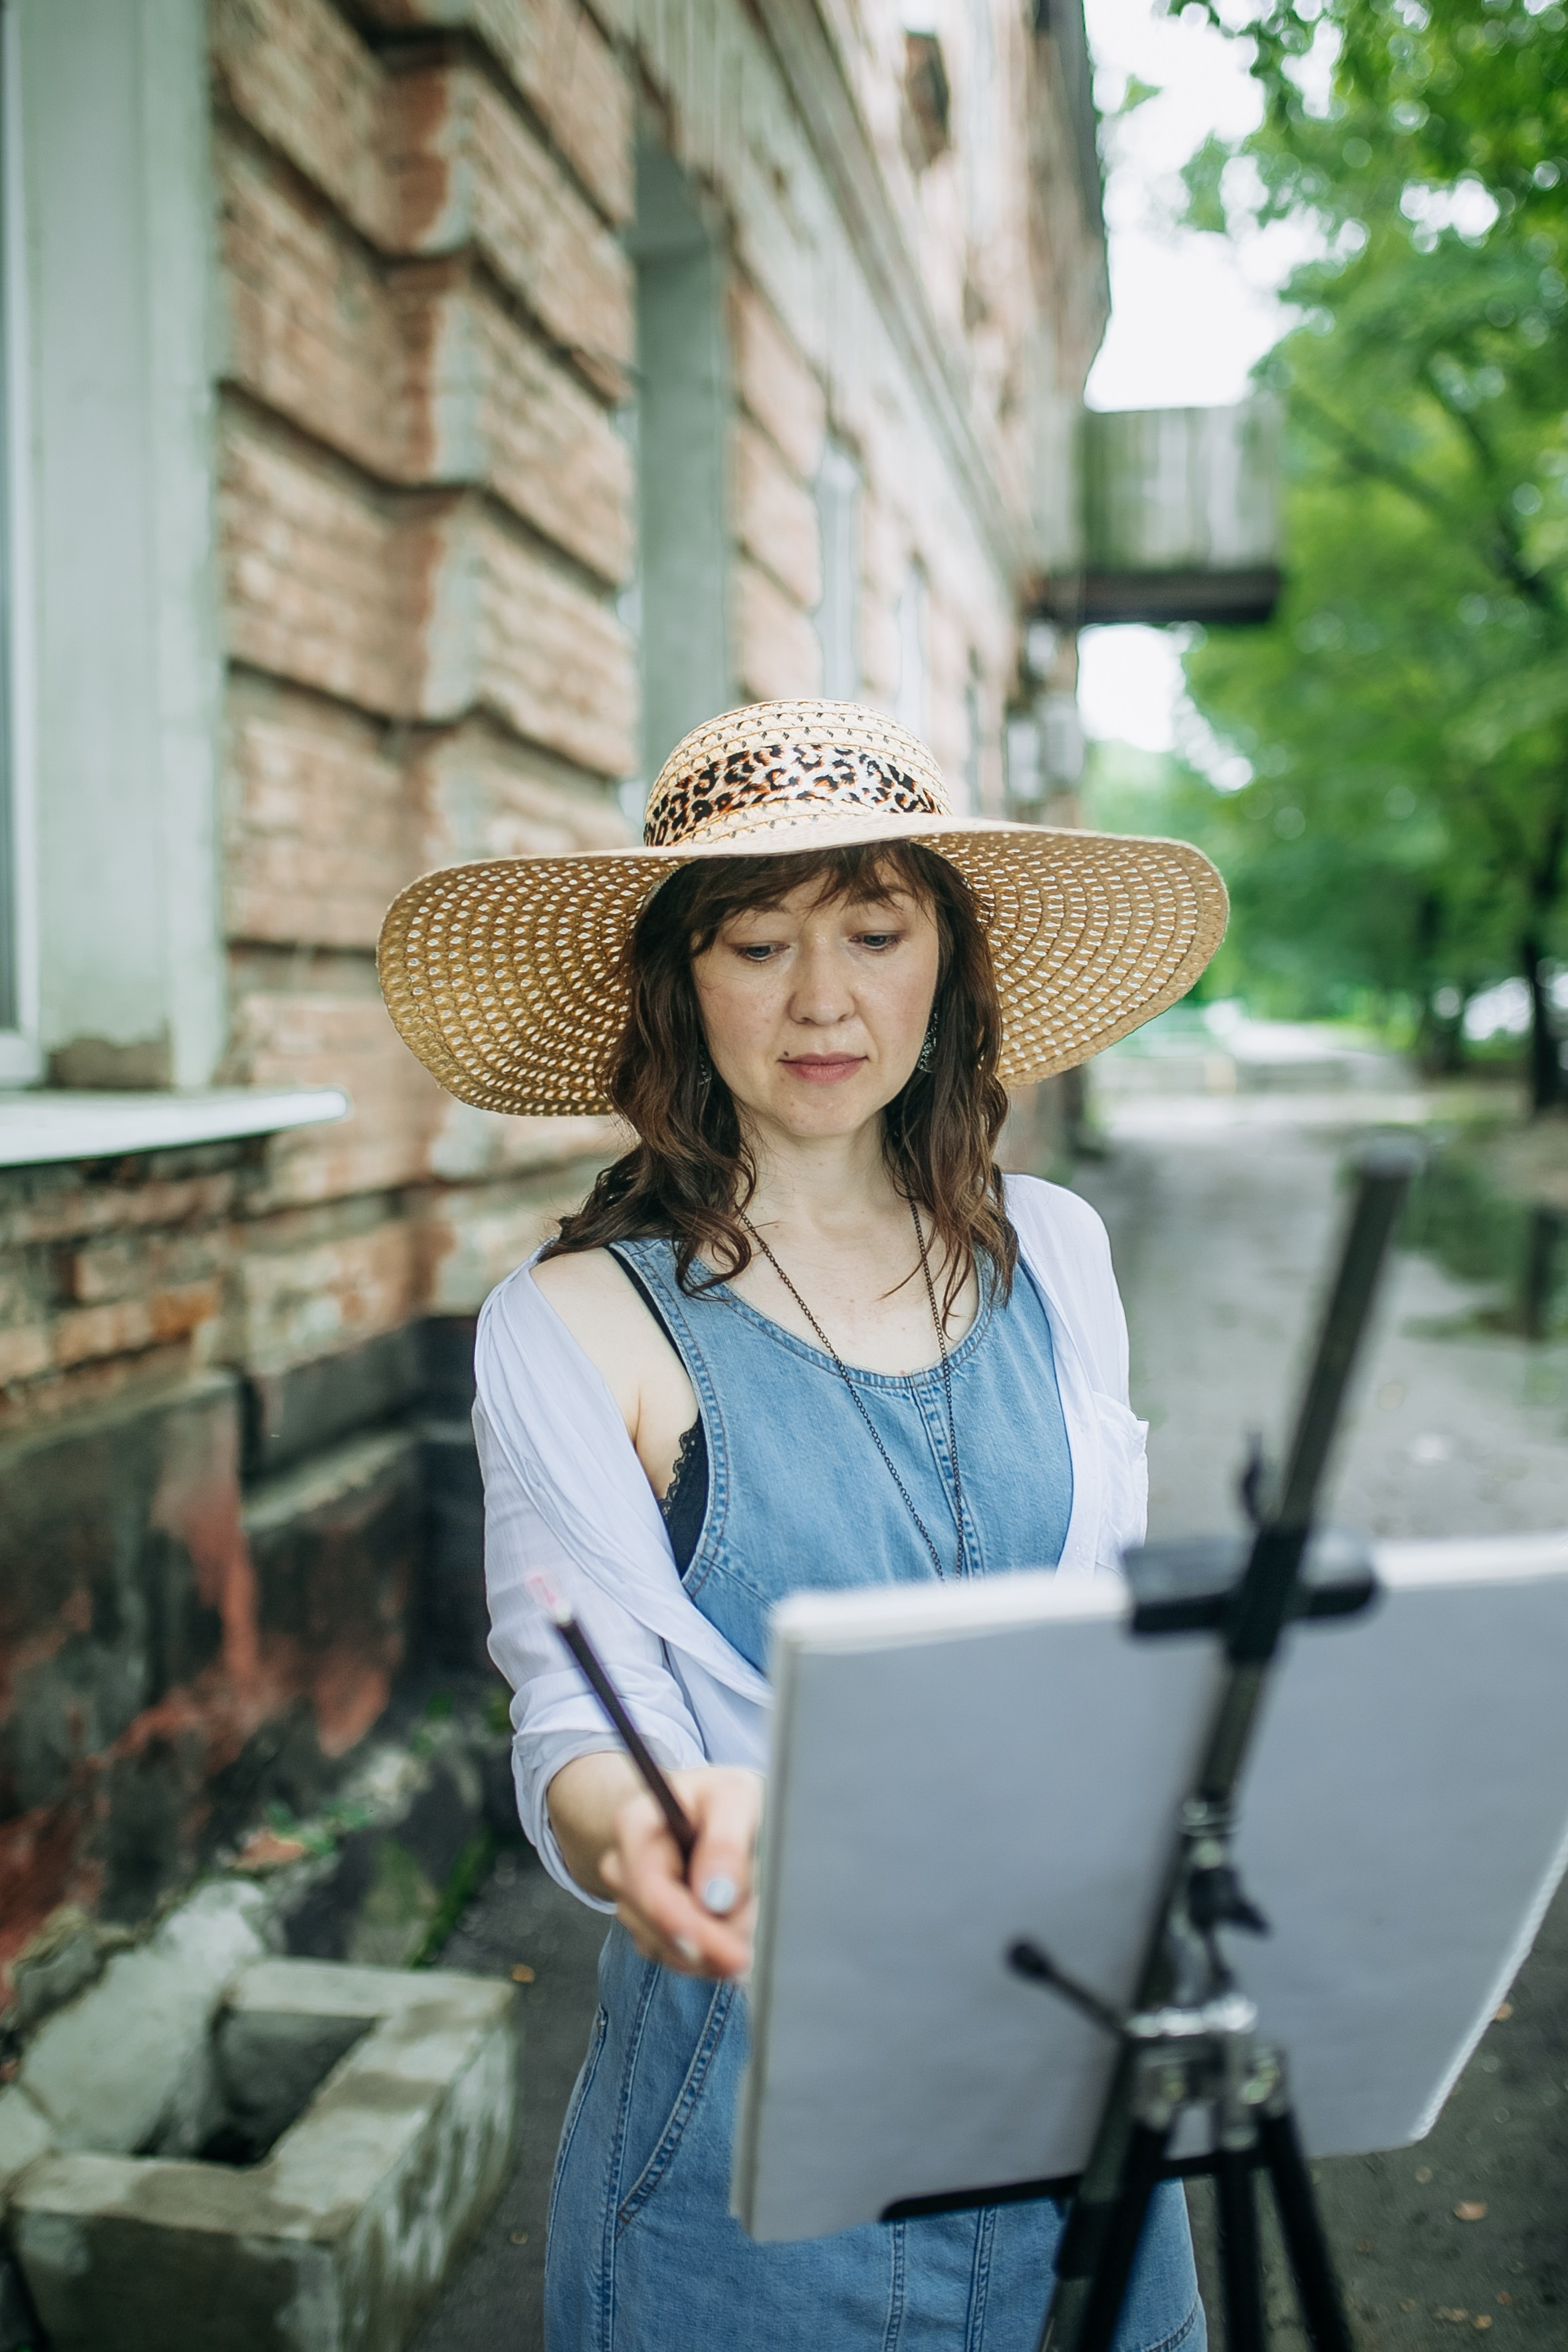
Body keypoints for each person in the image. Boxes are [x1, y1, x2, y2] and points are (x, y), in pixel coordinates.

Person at [378, 700, 1228, 2352]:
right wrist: (654, 1832)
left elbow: (1112, 1650)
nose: (822, 997)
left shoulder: (1056, 1254)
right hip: (758, 2150)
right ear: (681, 988)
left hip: (1079, 2078)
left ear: (947, 963)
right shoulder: (572, 1324)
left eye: (873, 927)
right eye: (755, 940)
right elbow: (573, 1703)